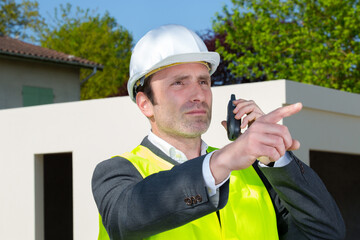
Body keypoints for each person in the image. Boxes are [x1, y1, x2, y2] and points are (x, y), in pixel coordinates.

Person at [92, 24, 345, 240]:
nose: (198, 94)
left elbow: (326, 232)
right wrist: (222, 161)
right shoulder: (118, 173)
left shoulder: (251, 171)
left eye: (203, 81)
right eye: (179, 82)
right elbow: (124, 217)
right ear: (145, 103)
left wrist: (276, 159)